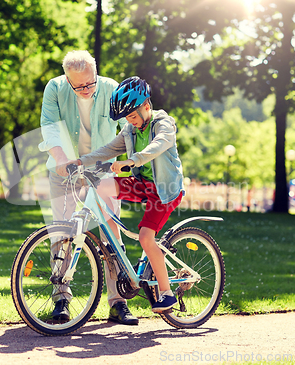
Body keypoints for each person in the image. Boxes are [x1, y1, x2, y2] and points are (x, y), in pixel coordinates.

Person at [38, 50, 138, 325]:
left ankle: (118, 303)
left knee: (111, 232)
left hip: (102, 168)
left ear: (96, 74)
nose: (86, 90)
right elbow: (49, 125)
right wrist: (61, 159)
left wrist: (129, 161)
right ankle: (61, 298)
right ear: (68, 79)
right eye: (79, 85)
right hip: (65, 169)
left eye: (90, 83)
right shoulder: (55, 88)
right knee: (62, 233)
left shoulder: (111, 89)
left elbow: (128, 128)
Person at [71, 76, 185, 313]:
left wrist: (133, 160)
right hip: (142, 184)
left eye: (132, 116)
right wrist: (81, 161)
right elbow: (109, 149)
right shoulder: (130, 130)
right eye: (127, 118)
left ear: (146, 106)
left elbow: (160, 144)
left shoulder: (163, 123)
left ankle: (166, 294)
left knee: (146, 238)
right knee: (101, 187)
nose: (130, 122)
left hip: (164, 192)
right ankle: (114, 244)